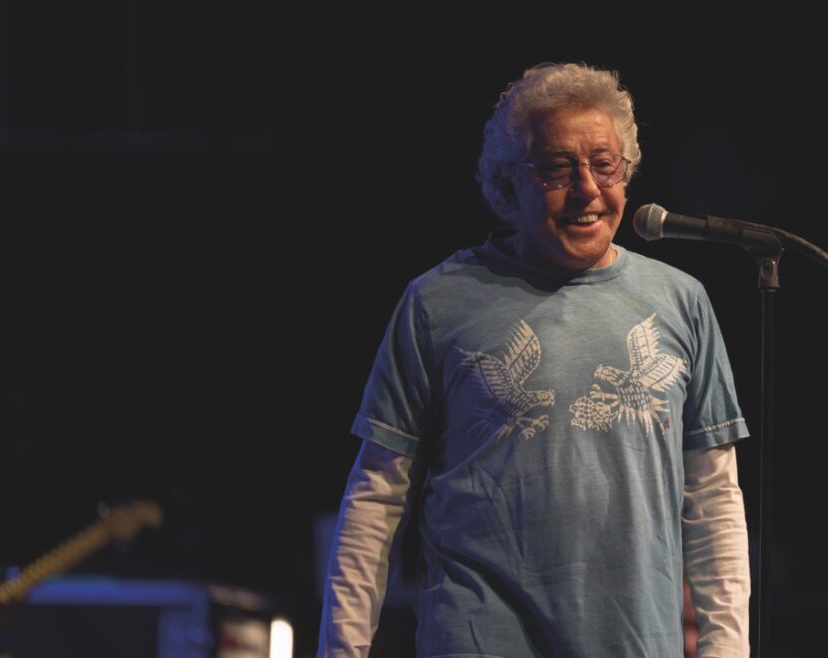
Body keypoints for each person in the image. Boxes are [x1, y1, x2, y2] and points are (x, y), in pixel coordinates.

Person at [317, 61, 752, 658]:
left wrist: (726, 651)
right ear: (506, 182)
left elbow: (714, 500)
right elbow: (376, 496)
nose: (587, 189)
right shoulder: (438, 300)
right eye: (556, 168)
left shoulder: (682, 301)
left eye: (605, 165)